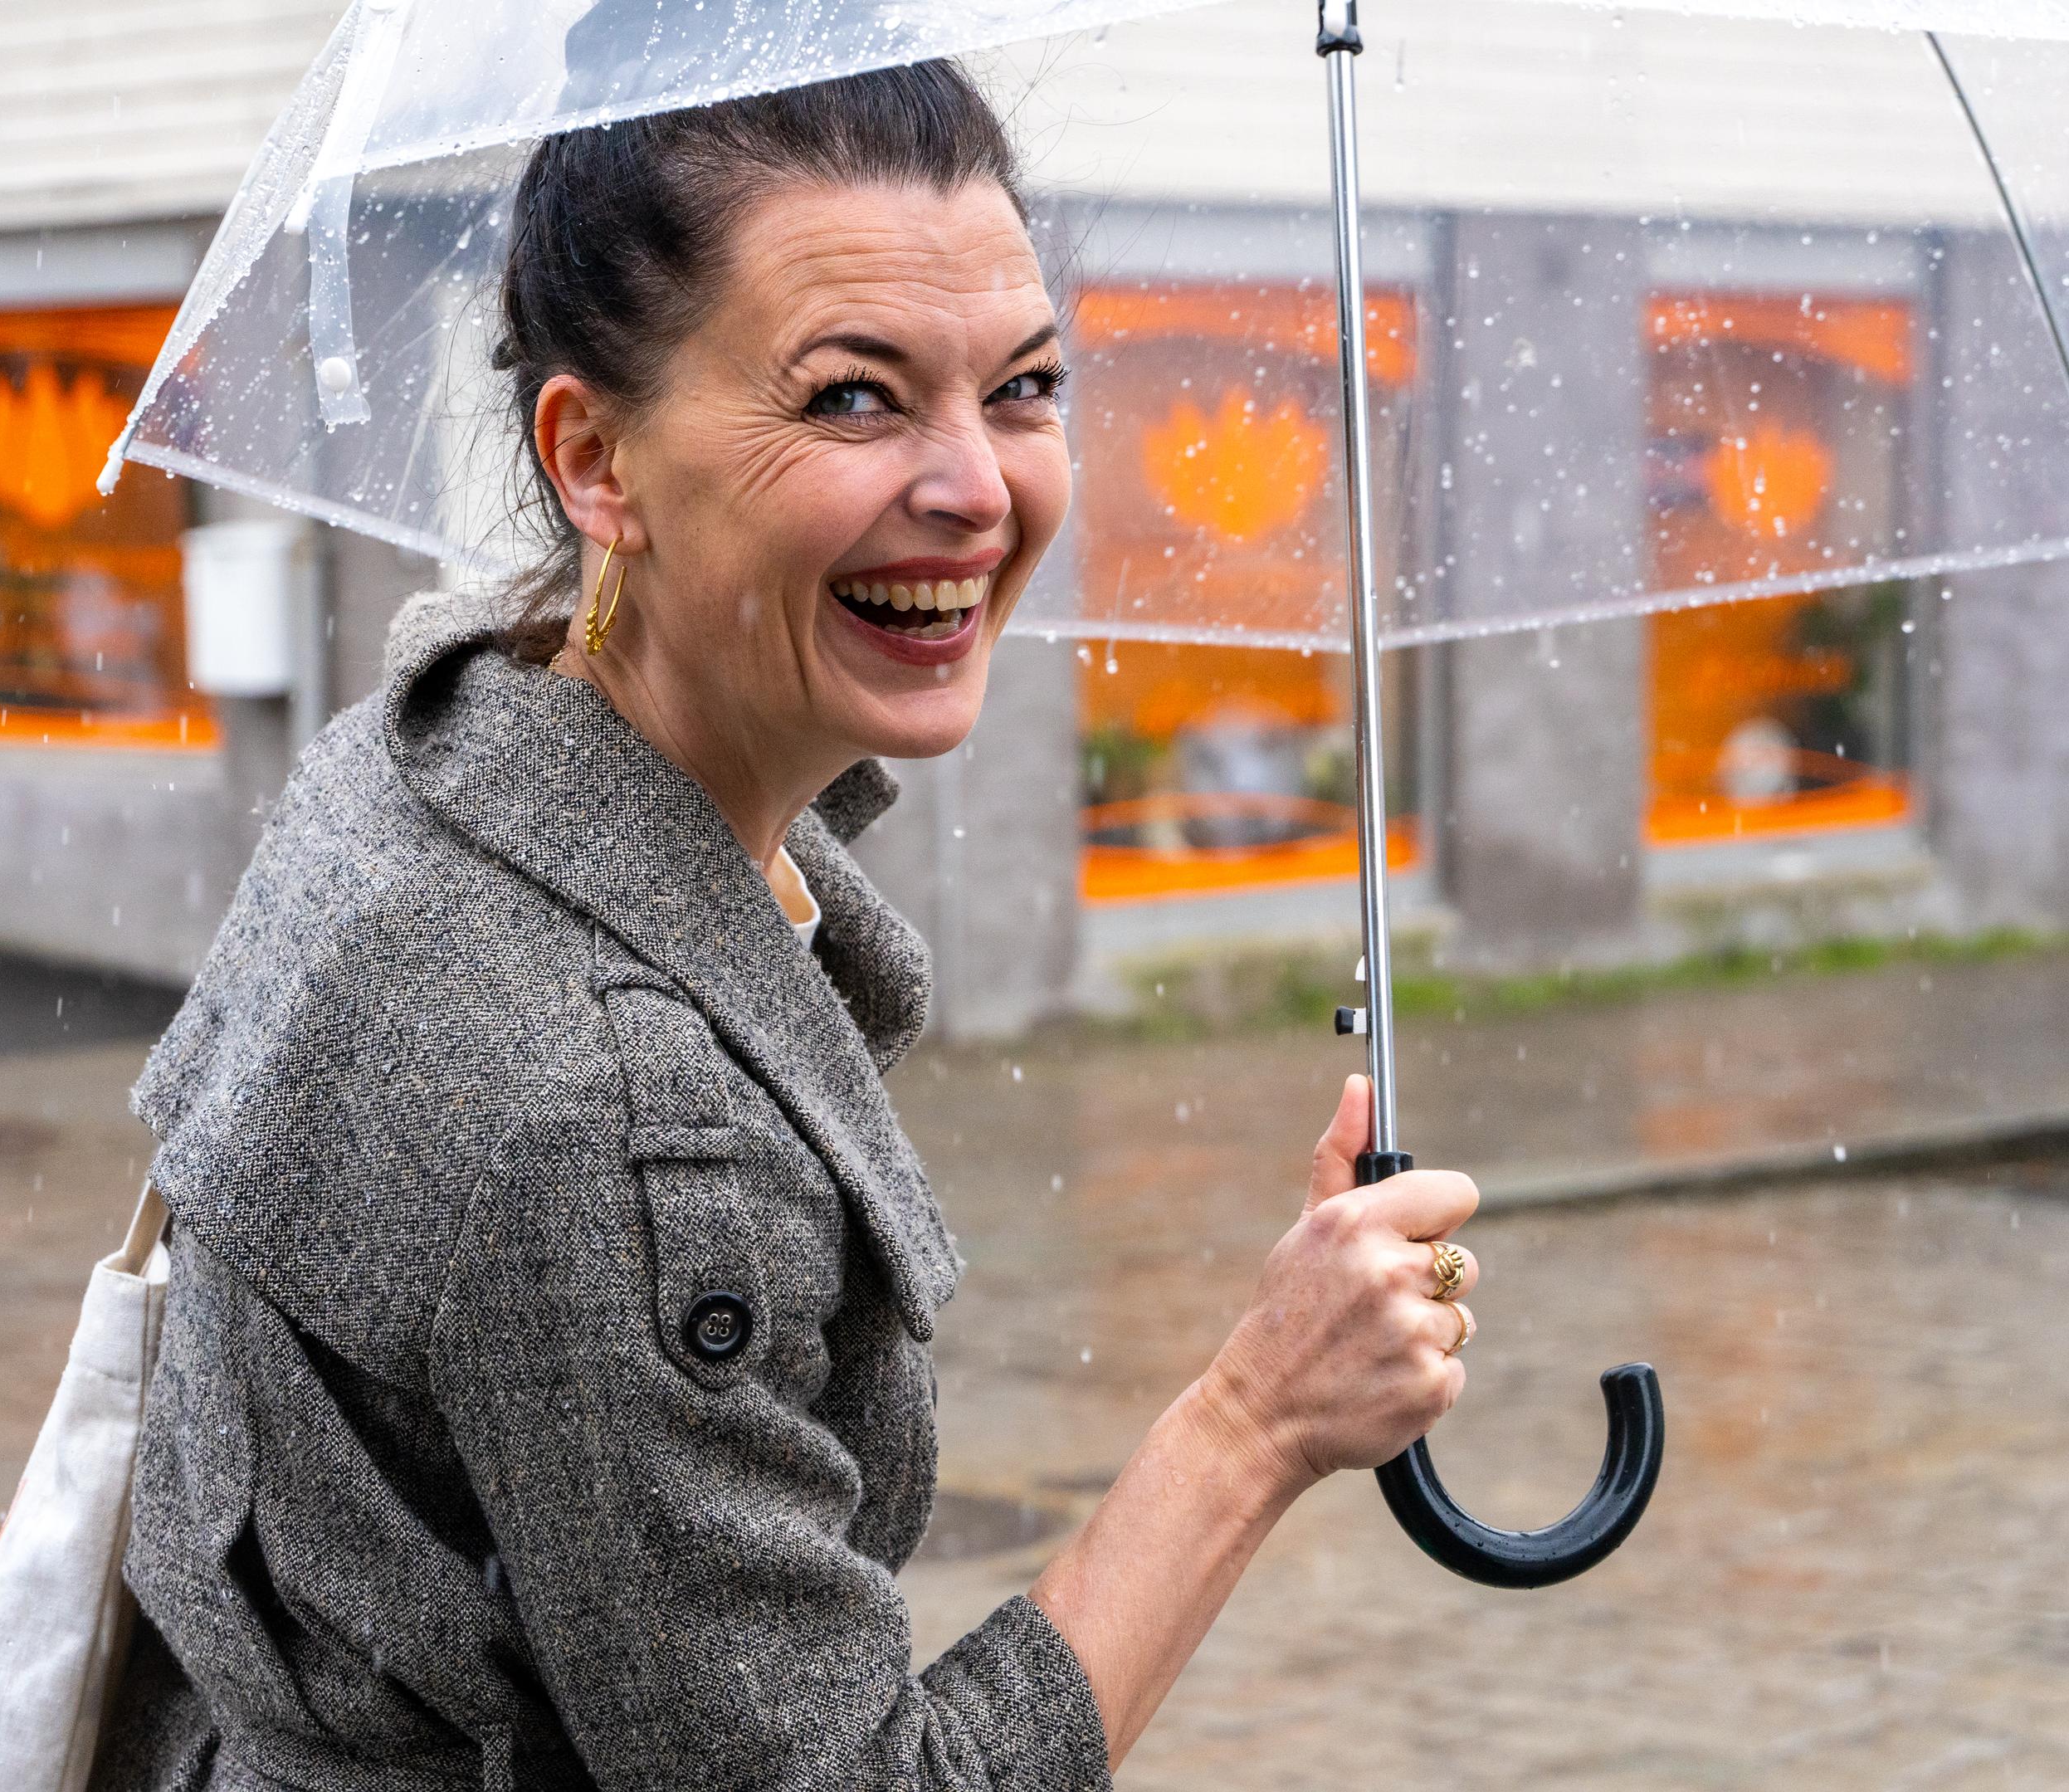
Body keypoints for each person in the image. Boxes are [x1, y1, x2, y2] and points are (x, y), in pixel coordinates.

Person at [90, 61, 1485, 1792]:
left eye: (1026, 386)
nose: (978, 486)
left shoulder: (432, 742)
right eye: (852, 400)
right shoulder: (608, 1104)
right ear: (594, 459)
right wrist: (1256, 1419)